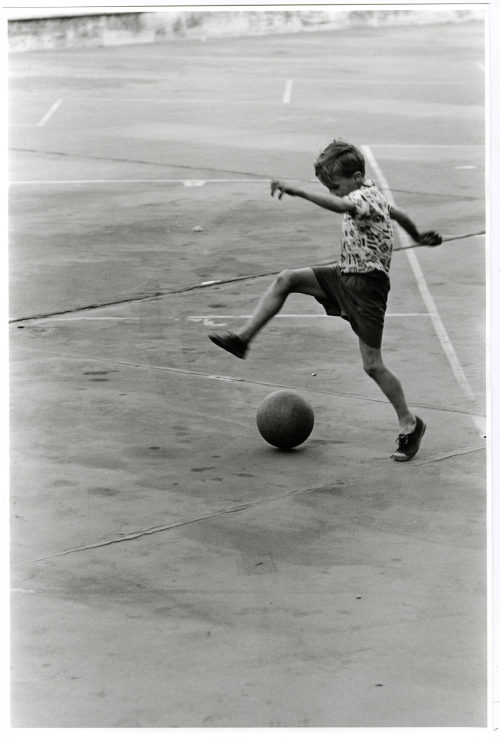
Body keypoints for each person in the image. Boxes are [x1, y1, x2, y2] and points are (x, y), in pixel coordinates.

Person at [209, 140, 441, 461]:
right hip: (344, 274)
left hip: (367, 288)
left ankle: (410, 424)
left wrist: (300, 192)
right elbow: (397, 213)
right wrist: (417, 236)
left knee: (373, 365)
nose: (333, 192)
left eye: (336, 186)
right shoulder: (371, 194)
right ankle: (242, 340)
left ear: (358, 176)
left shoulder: (359, 198)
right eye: (328, 188)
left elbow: (344, 207)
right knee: (287, 278)